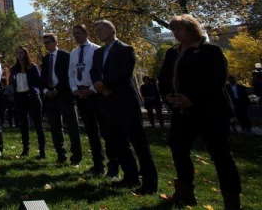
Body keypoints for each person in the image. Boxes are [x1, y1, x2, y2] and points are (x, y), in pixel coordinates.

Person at [158, 14, 241, 209]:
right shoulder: (172, 52)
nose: (176, 33)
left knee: (220, 154)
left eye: (179, 29)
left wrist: (192, 98)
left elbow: (216, 79)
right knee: (178, 148)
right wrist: (168, 96)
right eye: (173, 30)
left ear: (192, 29)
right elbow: (163, 79)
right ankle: (184, 191)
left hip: (210, 110)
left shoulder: (210, 50)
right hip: (181, 111)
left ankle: (231, 199)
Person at [91, 20, 157, 195]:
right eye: (96, 30)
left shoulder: (125, 49)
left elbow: (124, 73)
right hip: (107, 101)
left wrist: (104, 84)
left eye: (101, 29)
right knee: (118, 141)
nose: (98, 33)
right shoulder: (98, 53)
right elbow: (94, 72)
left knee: (138, 142)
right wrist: (100, 86)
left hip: (125, 101)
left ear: (112, 29)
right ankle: (130, 176)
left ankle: (150, 182)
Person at [69, 25, 118, 176]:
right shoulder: (73, 53)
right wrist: (75, 89)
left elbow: (100, 73)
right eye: (74, 34)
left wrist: (92, 89)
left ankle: (113, 166)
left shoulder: (96, 50)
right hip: (81, 94)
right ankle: (98, 165)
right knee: (91, 131)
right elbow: (71, 73)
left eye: (78, 33)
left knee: (105, 130)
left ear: (87, 33)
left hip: (96, 94)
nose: (76, 36)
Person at [40, 33, 82, 166]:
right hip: (50, 97)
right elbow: (43, 78)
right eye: (44, 43)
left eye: (48, 42)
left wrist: (56, 90)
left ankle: (76, 157)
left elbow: (67, 76)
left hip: (64, 95)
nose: (46, 45)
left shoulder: (65, 56)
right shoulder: (45, 59)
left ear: (55, 42)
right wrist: (46, 91)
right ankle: (61, 155)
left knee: (72, 126)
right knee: (55, 127)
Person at [9, 46, 46, 159]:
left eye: (22, 52)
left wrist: (36, 92)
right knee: (23, 125)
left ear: (26, 54)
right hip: (20, 97)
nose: (19, 55)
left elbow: (39, 81)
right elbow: (12, 82)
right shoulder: (14, 69)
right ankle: (26, 149)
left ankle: (42, 151)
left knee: (38, 124)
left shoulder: (32, 67)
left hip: (32, 97)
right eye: (17, 52)